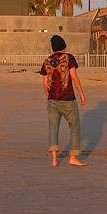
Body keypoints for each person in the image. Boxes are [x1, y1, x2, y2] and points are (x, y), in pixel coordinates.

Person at [39, 35, 87, 167]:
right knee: (74, 127)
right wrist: (81, 93)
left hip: (52, 100)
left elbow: (45, 82)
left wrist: (49, 95)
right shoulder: (68, 58)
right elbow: (73, 76)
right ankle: (73, 158)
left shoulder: (47, 60)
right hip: (68, 99)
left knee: (53, 129)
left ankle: (54, 160)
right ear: (63, 46)